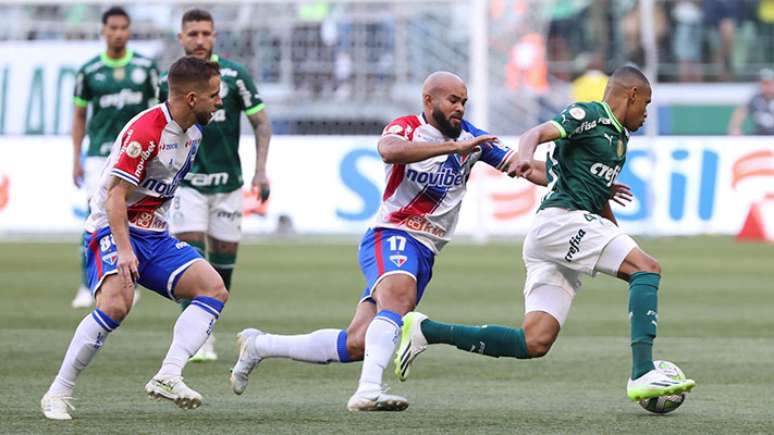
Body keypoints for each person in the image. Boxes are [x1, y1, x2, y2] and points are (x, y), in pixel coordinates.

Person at [393, 66, 697, 403]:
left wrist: (612, 224)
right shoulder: (591, 114)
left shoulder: (618, 139)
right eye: (647, 104)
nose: (646, 113)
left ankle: (425, 330)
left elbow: (595, 202)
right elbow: (532, 135)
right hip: (561, 223)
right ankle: (643, 373)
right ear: (632, 95)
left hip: (556, 235)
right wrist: (524, 159)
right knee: (647, 268)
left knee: (534, 342)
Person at [229, 71, 515, 411]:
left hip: (426, 251)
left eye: (464, 102)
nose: (460, 108)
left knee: (357, 343)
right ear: (429, 100)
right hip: (392, 234)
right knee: (398, 299)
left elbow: (522, 166)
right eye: (453, 100)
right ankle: (367, 390)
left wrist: (572, 180)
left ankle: (259, 345)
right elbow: (389, 150)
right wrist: (453, 147)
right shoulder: (407, 127)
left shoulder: (473, 139)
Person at [41, 56, 228, 420]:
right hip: (111, 227)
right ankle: (58, 392)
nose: (218, 102)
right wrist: (125, 251)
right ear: (192, 98)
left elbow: (159, 194)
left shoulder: (194, 134)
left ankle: (169, 375)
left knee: (213, 288)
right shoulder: (145, 132)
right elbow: (114, 196)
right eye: (214, 95)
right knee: (116, 304)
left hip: (154, 234)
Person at [158, 9, 272, 362]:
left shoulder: (235, 76)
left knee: (222, 270)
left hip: (228, 185)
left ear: (215, 36)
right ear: (181, 38)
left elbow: (262, 124)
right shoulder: (170, 81)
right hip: (187, 185)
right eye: (192, 34)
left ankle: (205, 328)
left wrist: (261, 171)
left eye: (206, 33)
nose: (199, 40)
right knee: (189, 263)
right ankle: (193, 341)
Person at [71, 6, 159, 309]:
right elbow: (80, 115)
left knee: (134, 215)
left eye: (124, 27)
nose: (119, 33)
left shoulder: (146, 69)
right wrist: (76, 157)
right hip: (99, 155)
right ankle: (88, 284)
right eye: (113, 28)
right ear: (103, 31)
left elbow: (156, 114)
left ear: (130, 30)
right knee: (95, 216)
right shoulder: (89, 71)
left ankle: (130, 279)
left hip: (137, 155)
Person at [728, 68, 774, 135]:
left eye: (769, 84)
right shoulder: (755, 99)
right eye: (764, 84)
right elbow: (741, 112)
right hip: (760, 137)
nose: (767, 87)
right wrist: (735, 128)